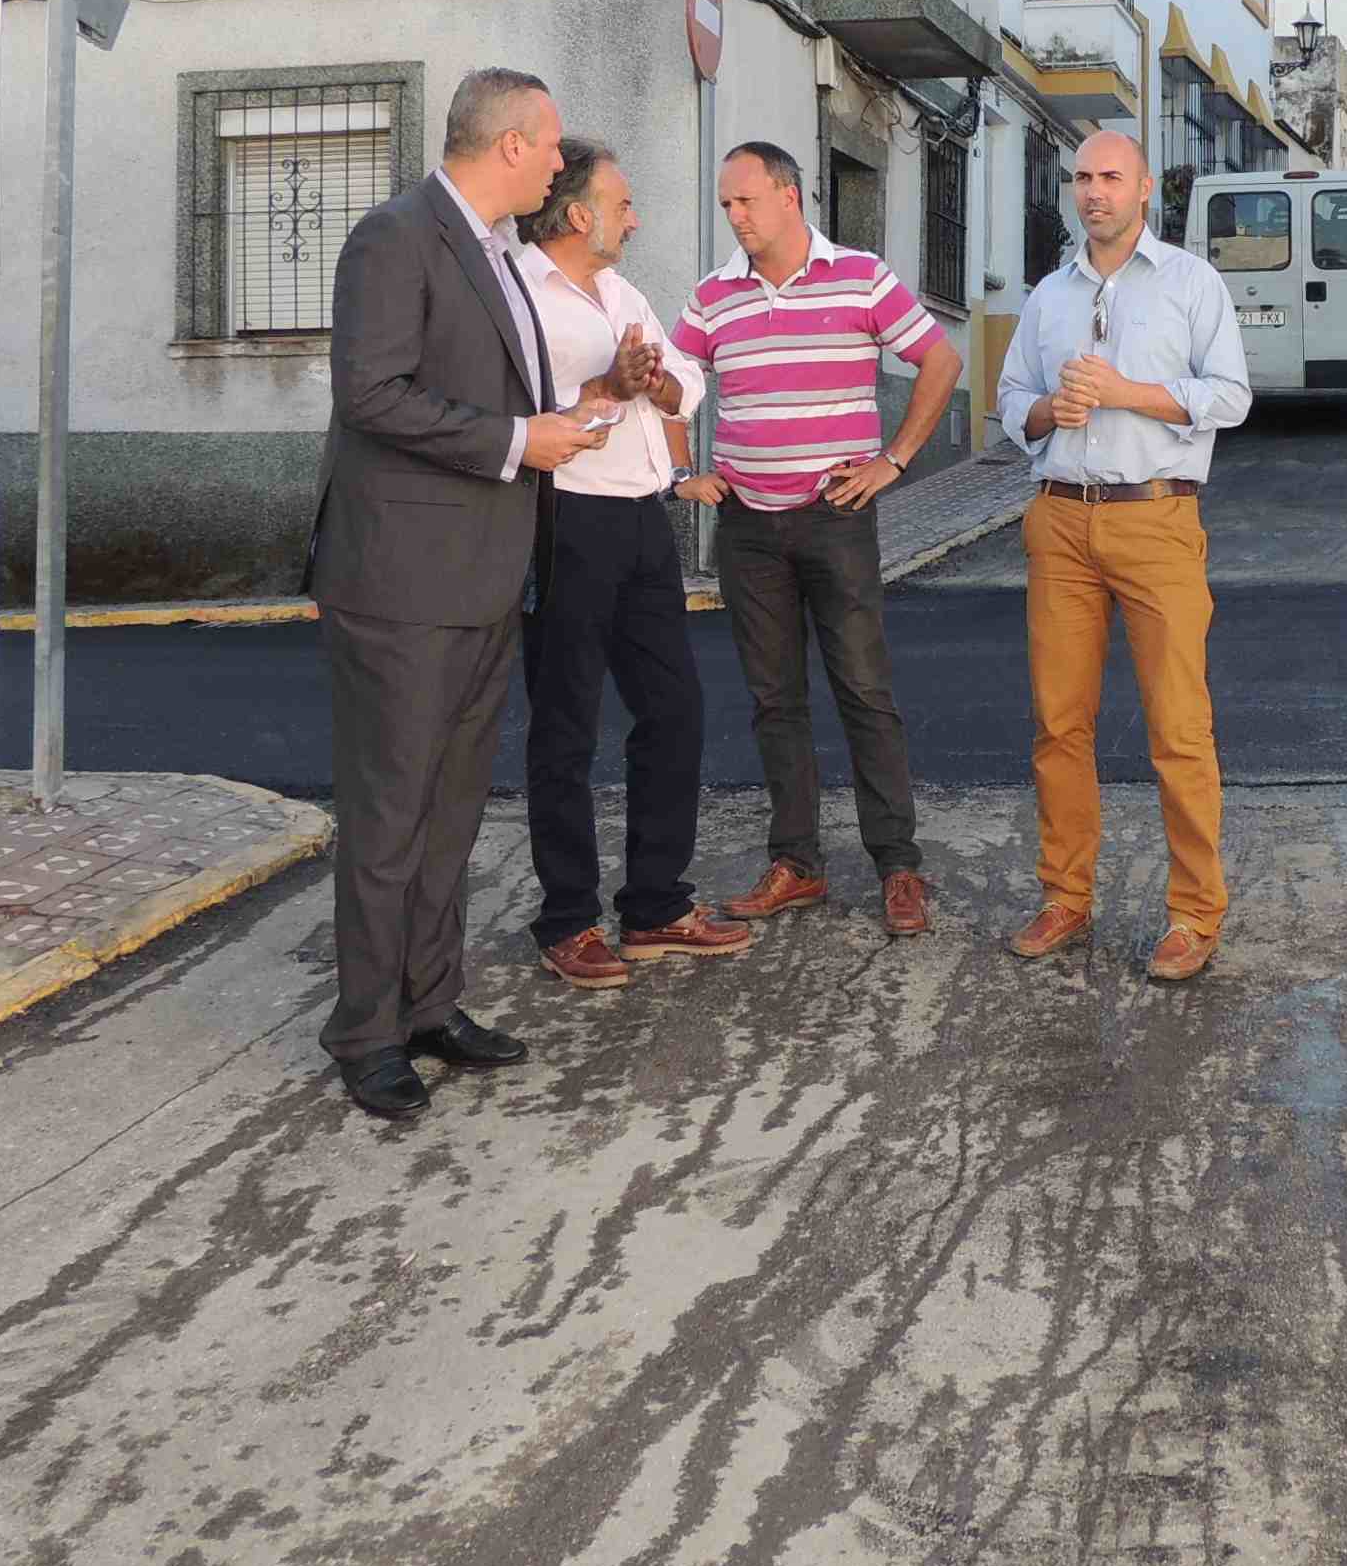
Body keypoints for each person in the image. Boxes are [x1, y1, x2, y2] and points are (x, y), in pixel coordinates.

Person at [305, 66, 612, 1120]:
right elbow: (374, 394)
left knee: (449, 816)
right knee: (390, 818)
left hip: (482, 580)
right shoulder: (395, 236)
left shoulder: (497, 252)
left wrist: (569, 418)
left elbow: (490, 401)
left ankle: (428, 1005)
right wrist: (521, 442)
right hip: (400, 585)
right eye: (554, 144)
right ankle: (365, 1032)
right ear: (512, 147)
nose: (563, 163)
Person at [670, 142, 962, 936]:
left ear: (790, 196)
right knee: (775, 700)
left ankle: (898, 868)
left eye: (746, 200)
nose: (734, 215)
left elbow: (939, 358)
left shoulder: (861, 275)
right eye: (726, 203)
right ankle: (797, 864)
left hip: (835, 519)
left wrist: (893, 460)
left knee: (864, 691)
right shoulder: (713, 296)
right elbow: (669, 387)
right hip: (748, 529)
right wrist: (680, 472)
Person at [992, 129, 1252, 981]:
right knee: (1058, 724)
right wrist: (1046, 415)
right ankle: (1066, 896)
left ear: (1145, 191)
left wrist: (1122, 394)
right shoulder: (1048, 295)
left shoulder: (1190, 283)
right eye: (1081, 178)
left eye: (1110, 177)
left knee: (1179, 726)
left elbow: (1231, 395)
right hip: (1061, 521)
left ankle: (1194, 914)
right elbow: (1011, 401)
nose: (1092, 191)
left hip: (1157, 522)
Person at [509, 142, 752, 989]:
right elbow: (515, 419)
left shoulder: (620, 291)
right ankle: (568, 919)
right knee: (566, 726)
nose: (635, 217)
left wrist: (654, 383)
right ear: (579, 215)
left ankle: (654, 906)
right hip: (564, 521)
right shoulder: (516, 295)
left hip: (645, 518)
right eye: (623, 202)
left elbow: (690, 381)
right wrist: (611, 384)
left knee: (675, 711)